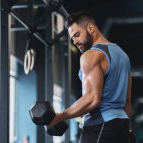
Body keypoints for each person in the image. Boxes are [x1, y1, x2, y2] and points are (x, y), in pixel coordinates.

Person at [48, 11, 132, 143]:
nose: (75, 41)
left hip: (99, 124)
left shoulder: (90, 55)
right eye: (72, 38)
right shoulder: (123, 56)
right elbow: (127, 100)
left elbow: (92, 98)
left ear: (91, 28)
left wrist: (60, 117)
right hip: (121, 124)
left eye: (77, 35)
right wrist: (125, 130)